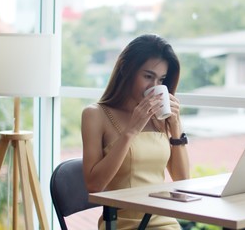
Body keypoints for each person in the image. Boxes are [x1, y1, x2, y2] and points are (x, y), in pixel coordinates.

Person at [81, 34, 190, 230]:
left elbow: (182, 183)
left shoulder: (160, 118)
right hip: (123, 224)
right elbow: (94, 186)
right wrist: (131, 131)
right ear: (126, 69)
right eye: (148, 76)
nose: (154, 87)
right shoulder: (95, 115)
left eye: (161, 79)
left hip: (165, 221)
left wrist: (175, 128)